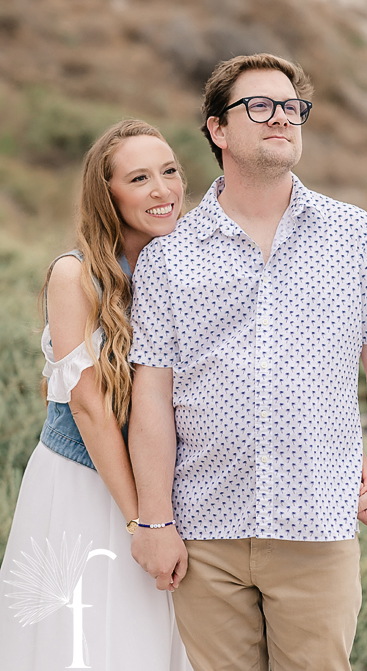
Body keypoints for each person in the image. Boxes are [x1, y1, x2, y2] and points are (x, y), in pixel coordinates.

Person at [127, 53, 367, 671]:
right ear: (218, 129)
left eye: (291, 107)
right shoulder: (166, 258)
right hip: (206, 527)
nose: (281, 117)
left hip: (318, 523)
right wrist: (153, 521)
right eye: (260, 105)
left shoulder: (355, 233)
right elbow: (151, 394)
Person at [0, 120, 191, 670]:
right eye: (139, 178)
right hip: (87, 486)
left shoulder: (182, 269)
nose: (162, 190)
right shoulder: (76, 275)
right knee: (91, 642)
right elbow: (88, 407)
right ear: (107, 194)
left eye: (170, 171)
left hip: (165, 491)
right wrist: (142, 523)